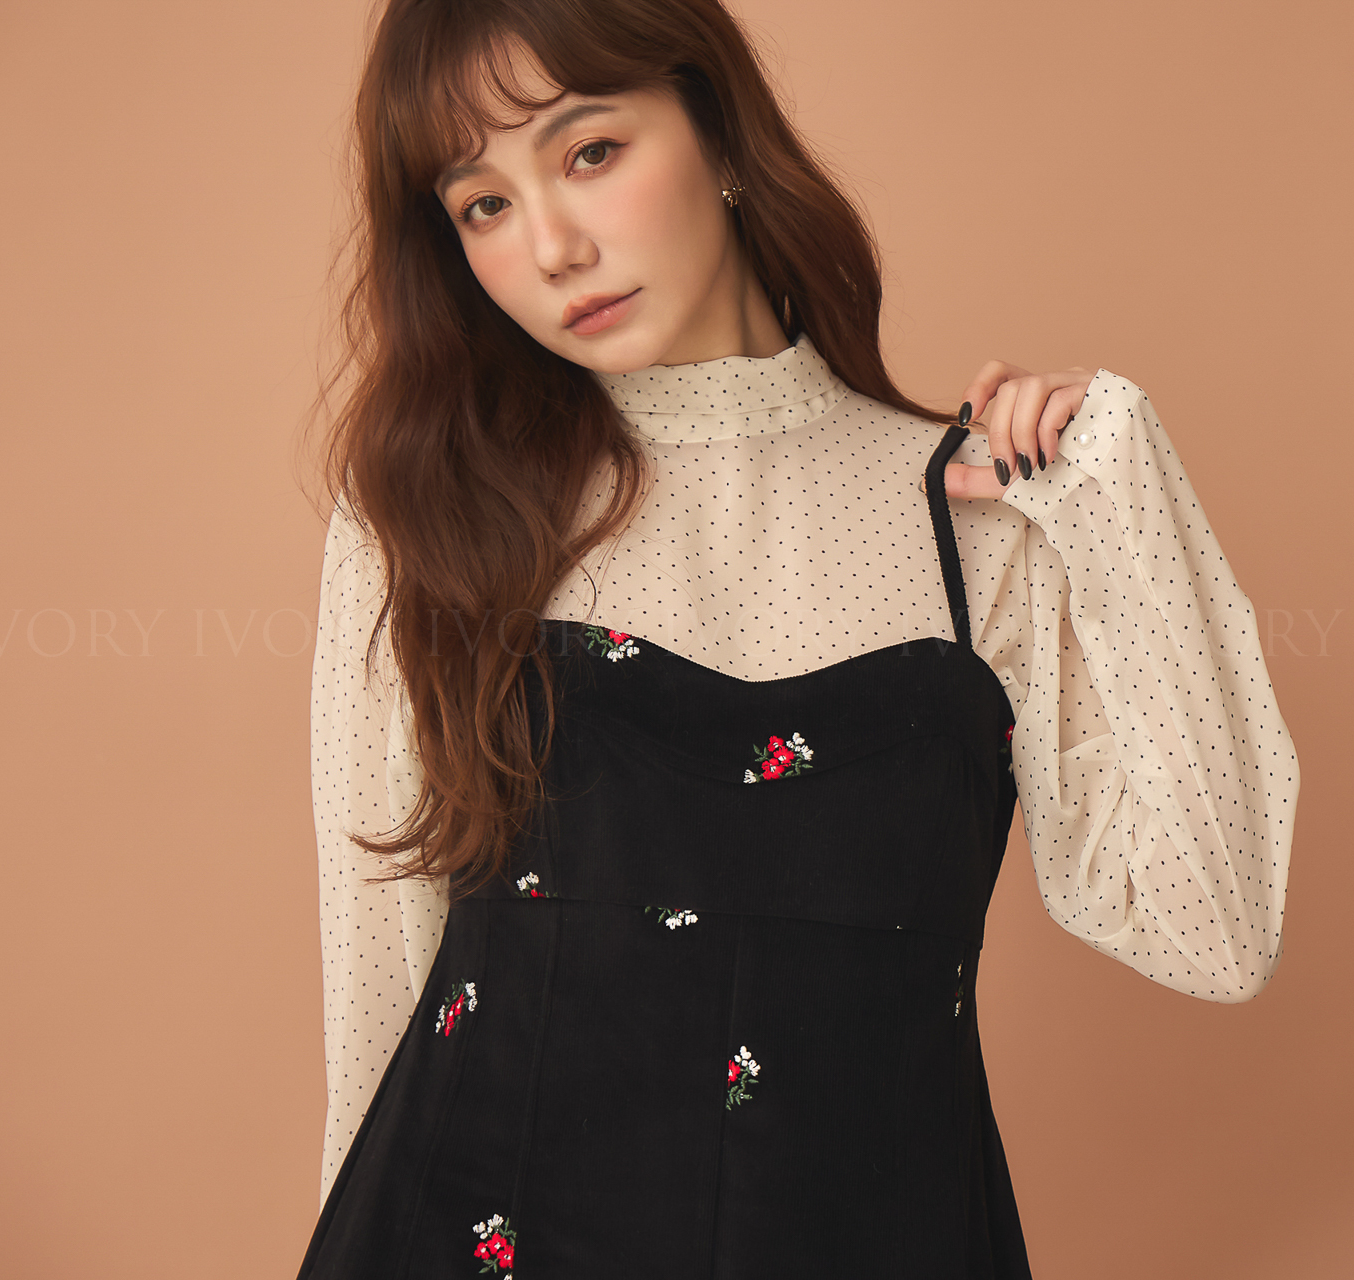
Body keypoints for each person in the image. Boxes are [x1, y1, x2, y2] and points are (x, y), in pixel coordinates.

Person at [300, 0, 1298, 1274]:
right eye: (482, 203)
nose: (552, 247)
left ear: (719, 132)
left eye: (589, 150)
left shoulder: (987, 521)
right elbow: (379, 994)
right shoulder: (431, 518)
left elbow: (1215, 934)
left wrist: (1122, 498)